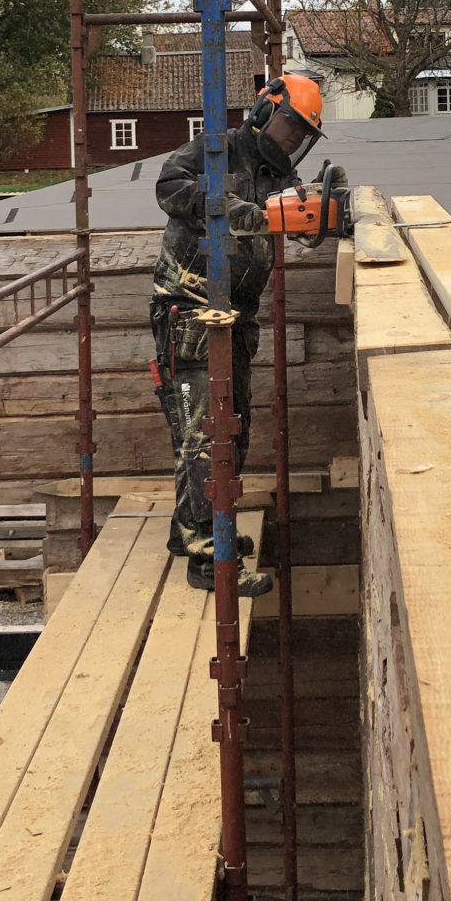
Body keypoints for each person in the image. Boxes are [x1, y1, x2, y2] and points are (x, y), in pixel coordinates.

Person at [150, 73, 325, 593]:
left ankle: (192, 531)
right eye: (291, 127)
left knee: (234, 427)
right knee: (207, 436)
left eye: (303, 134)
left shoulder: (279, 176)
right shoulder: (215, 150)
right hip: (191, 307)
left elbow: (301, 228)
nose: (293, 140)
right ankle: (208, 558)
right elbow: (168, 187)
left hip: (236, 315)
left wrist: (326, 213)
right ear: (267, 111)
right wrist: (224, 205)